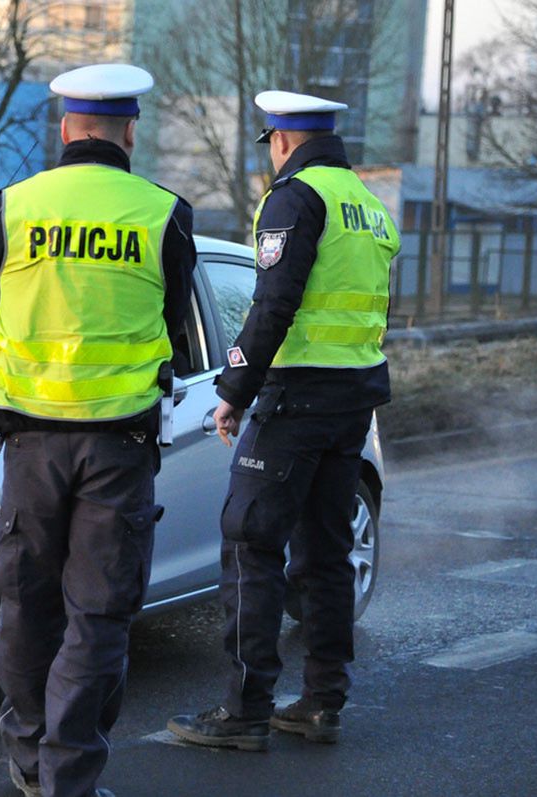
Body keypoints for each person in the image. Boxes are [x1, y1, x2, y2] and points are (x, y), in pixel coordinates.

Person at [0, 63, 196, 797]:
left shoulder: (15, 204)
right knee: (97, 615)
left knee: (26, 606)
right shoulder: (163, 211)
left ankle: (31, 758)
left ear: (64, 129)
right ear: (131, 131)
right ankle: (69, 776)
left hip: (29, 443)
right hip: (118, 446)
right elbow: (177, 334)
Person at [167, 90, 399, 753]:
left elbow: (274, 303)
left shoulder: (295, 198)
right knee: (326, 551)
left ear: (281, 141)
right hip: (353, 397)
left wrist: (234, 388)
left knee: (251, 544)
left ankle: (244, 710)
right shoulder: (368, 206)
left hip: (295, 396)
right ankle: (323, 701)